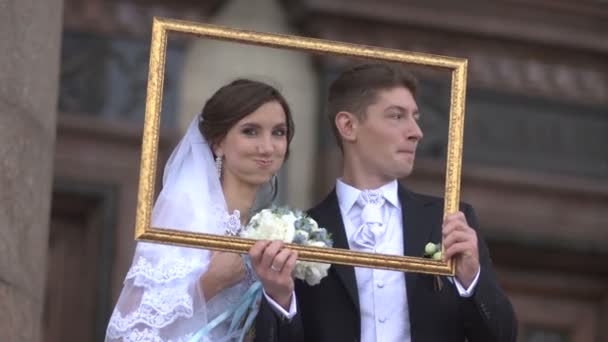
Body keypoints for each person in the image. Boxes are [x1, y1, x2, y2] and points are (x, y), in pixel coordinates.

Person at [252, 63, 518, 341]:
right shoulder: (301, 234)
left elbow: (502, 337)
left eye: (415, 117)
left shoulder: (450, 219)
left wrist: (472, 280)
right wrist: (280, 300)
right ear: (348, 125)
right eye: (397, 116)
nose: (416, 132)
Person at [105, 79, 299, 342]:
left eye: (278, 132)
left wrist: (279, 292)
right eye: (250, 131)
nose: (267, 147)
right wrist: (212, 281)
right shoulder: (185, 209)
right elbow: (130, 327)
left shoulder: (264, 225)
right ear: (217, 143)